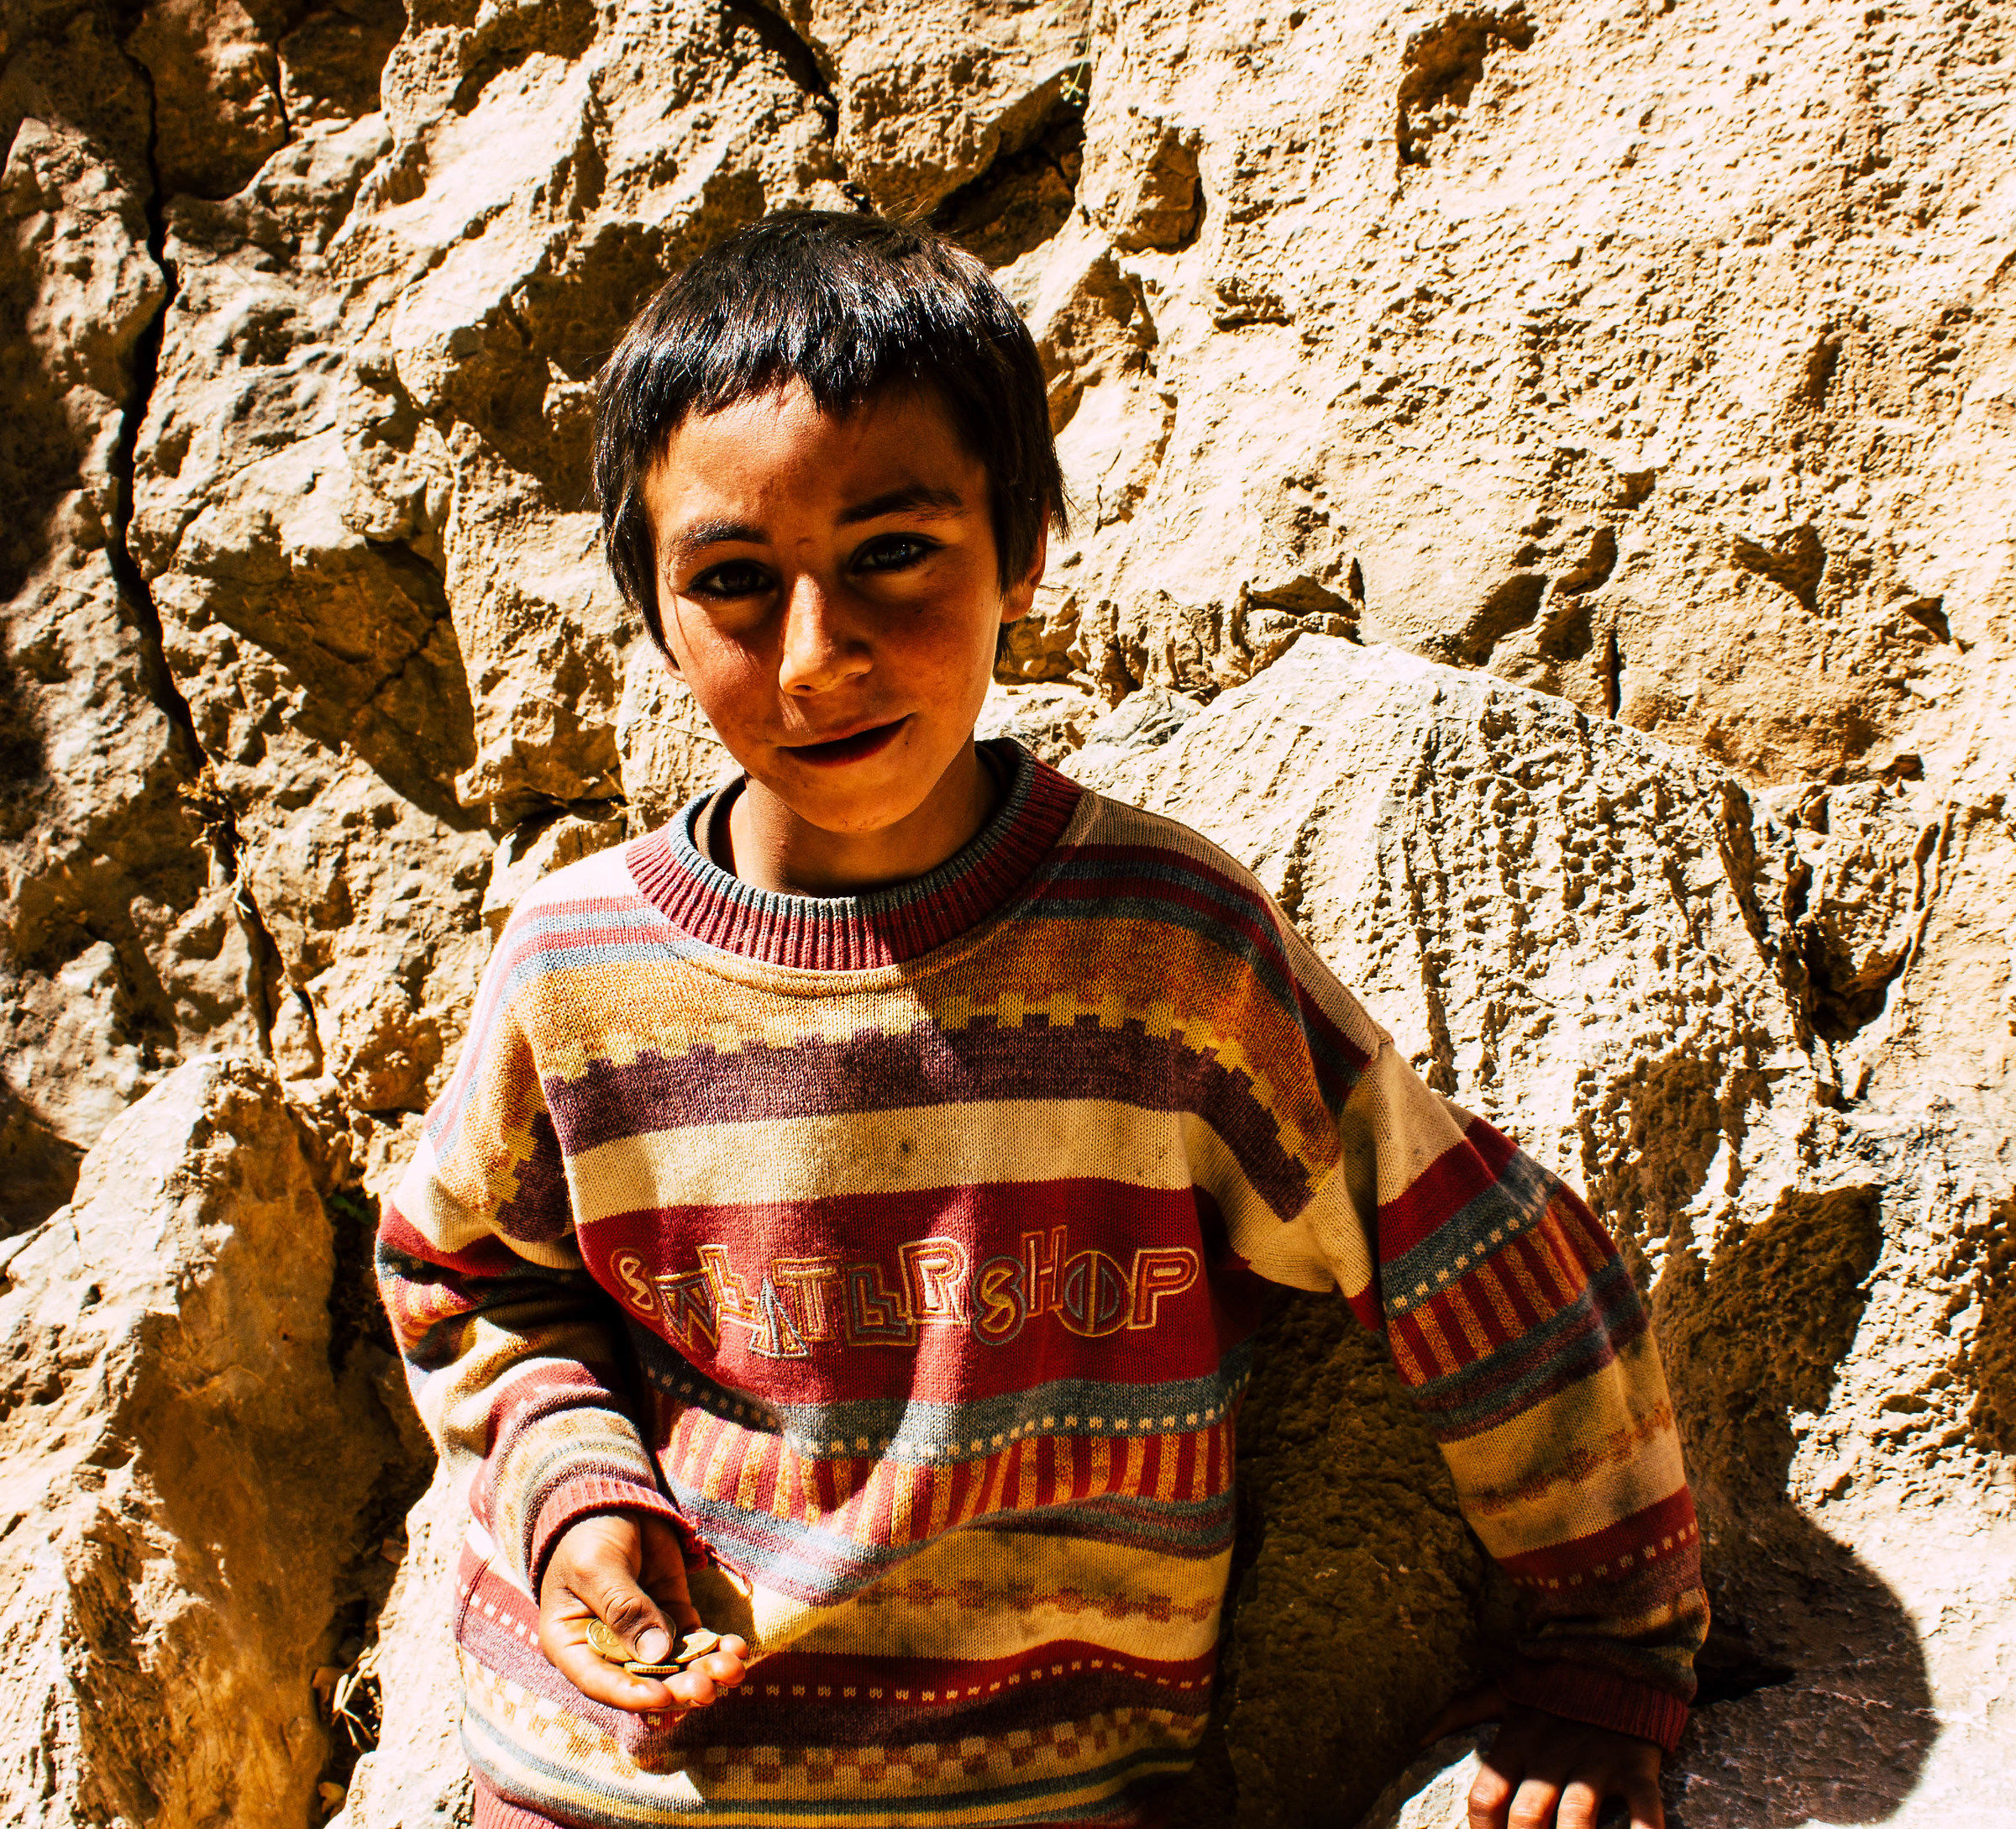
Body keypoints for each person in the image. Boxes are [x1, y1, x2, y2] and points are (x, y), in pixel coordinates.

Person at [376, 210, 1707, 1829]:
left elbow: (1471, 1256)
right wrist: (574, 1495)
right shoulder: (575, 964)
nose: (818, 655)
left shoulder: (1161, 954)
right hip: (620, 1781)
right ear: (654, 612)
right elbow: (468, 1278)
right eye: (733, 582)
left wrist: (1610, 1649)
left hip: (1048, 1797)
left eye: (894, 553)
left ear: (1023, 549)